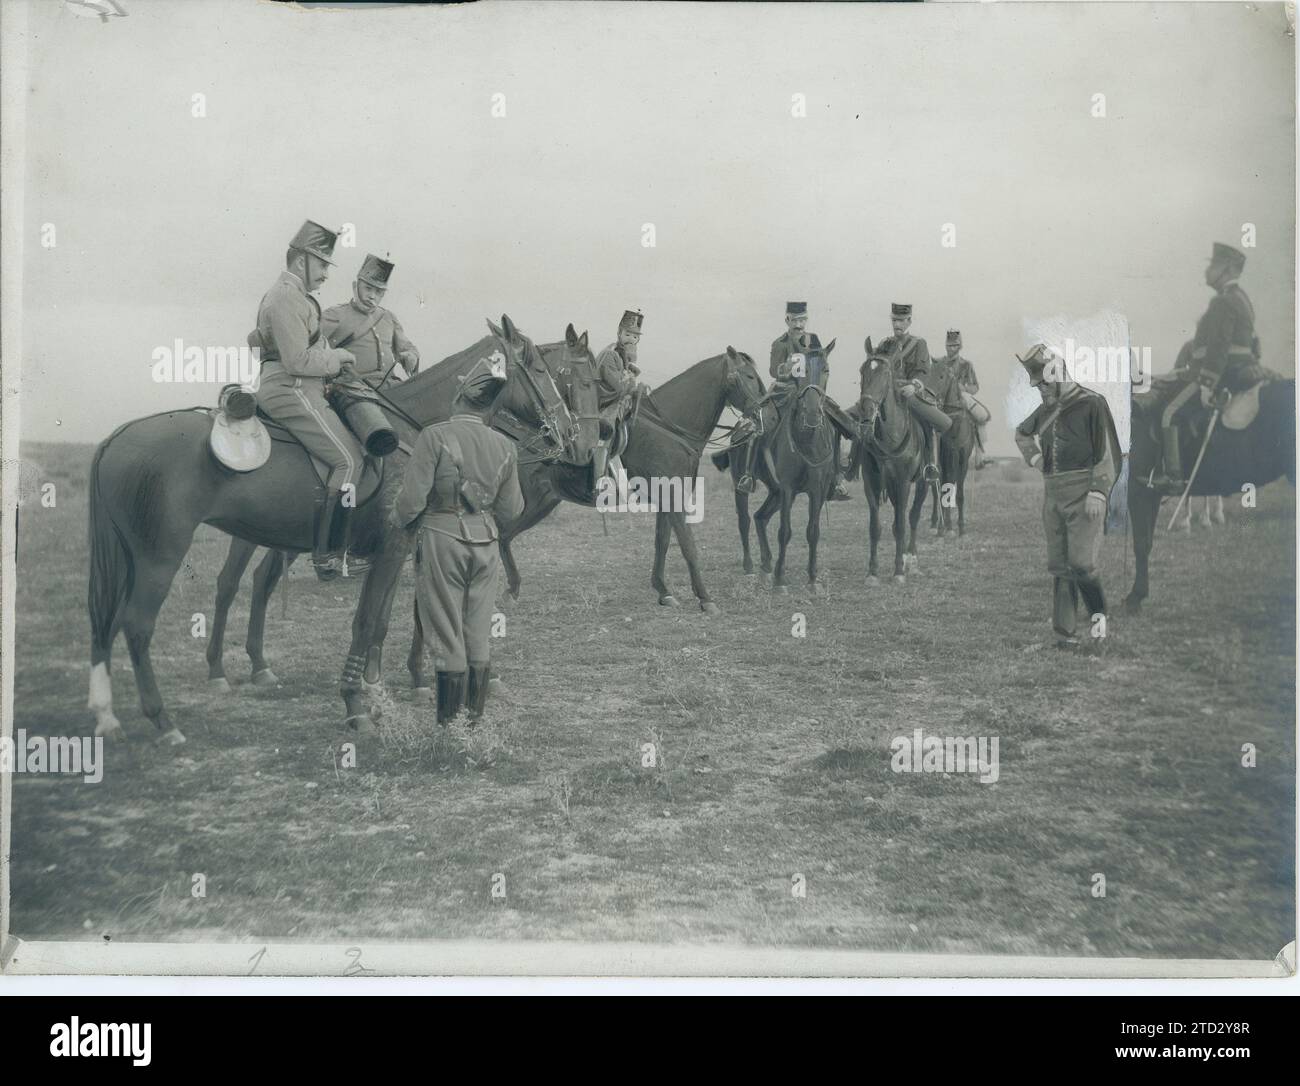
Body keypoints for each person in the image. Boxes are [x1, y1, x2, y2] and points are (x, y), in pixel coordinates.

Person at [395, 357, 526, 724]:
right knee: (477, 633)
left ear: (461, 393)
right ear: (488, 404)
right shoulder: (505, 446)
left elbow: (409, 504)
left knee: (448, 634)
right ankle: (473, 727)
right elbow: (513, 508)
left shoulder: (433, 437)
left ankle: (451, 732)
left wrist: (397, 522)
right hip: (486, 545)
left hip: (441, 541)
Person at [252, 220, 366, 581]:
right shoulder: (286, 296)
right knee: (349, 460)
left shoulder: (294, 296)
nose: (325, 275)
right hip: (291, 387)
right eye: (321, 264)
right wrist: (339, 359)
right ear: (301, 260)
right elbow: (297, 361)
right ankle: (328, 555)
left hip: (302, 385)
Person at [1014, 344, 1122, 651]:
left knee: (1082, 564)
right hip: (1053, 495)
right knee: (1060, 565)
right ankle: (1065, 636)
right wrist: (1035, 459)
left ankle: (1100, 628)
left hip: (1085, 494)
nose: (1041, 390)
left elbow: (1108, 453)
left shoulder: (1092, 403)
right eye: (1037, 385)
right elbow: (1022, 434)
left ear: (1059, 373)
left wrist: (1099, 491)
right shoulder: (1047, 408)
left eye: (1044, 383)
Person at [1148, 242, 1260, 491]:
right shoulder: (1243, 299)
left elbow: (1219, 348)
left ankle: (1174, 478)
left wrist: (1207, 385)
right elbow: (1251, 344)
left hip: (1218, 375)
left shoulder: (1221, 303)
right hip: (1239, 369)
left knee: (1170, 413)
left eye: (1213, 265)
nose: (1207, 271)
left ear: (1228, 270)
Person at [736, 301, 850, 499]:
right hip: (785, 390)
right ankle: (749, 475)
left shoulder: (812, 339)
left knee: (834, 419)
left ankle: (837, 476)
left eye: (803, 319)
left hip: (809, 390)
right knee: (761, 421)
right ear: (787, 320)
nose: (799, 324)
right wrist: (784, 368)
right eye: (795, 320)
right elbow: (773, 370)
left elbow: (818, 360)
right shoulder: (779, 343)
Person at [321, 253, 421, 384]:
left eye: (378, 292)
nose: (372, 296)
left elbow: (407, 348)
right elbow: (310, 348)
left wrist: (411, 356)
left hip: (391, 386)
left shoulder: (388, 317)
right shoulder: (335, 314)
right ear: (355, 286)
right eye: (368, 288)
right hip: (353, 388)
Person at [876, 303, 940, 482]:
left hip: (910, 393)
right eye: (894, 320)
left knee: (927, 423)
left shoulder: (919, 343)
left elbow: (924, 370)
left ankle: (930, 464)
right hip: (887, 394)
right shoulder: (884, 343)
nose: (897, 324)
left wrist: (914, 385)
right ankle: (854, 463)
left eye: (901, 320)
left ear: (909, 321)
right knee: (868, 420)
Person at [593, 309, 646, 480]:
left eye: (635, 336)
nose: (632, 339)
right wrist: (632, 375)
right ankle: (598, 479)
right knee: (606, 434)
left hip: (618, 405)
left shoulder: (623, 356)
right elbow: (617, 387)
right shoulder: (610, 354)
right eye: (628, 334)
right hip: (602, 406)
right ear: (619, 333)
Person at [941, 329, 990, 465]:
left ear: (960, 346)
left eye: (955, 345)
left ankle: (981, 454)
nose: (952, 348)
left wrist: (964, 388)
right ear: (945, 346)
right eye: (949, 345)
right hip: (941, 397)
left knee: (982, 415)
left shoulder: (966, 365)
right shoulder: (939, 363)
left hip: (961, 396)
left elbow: (975, 387)